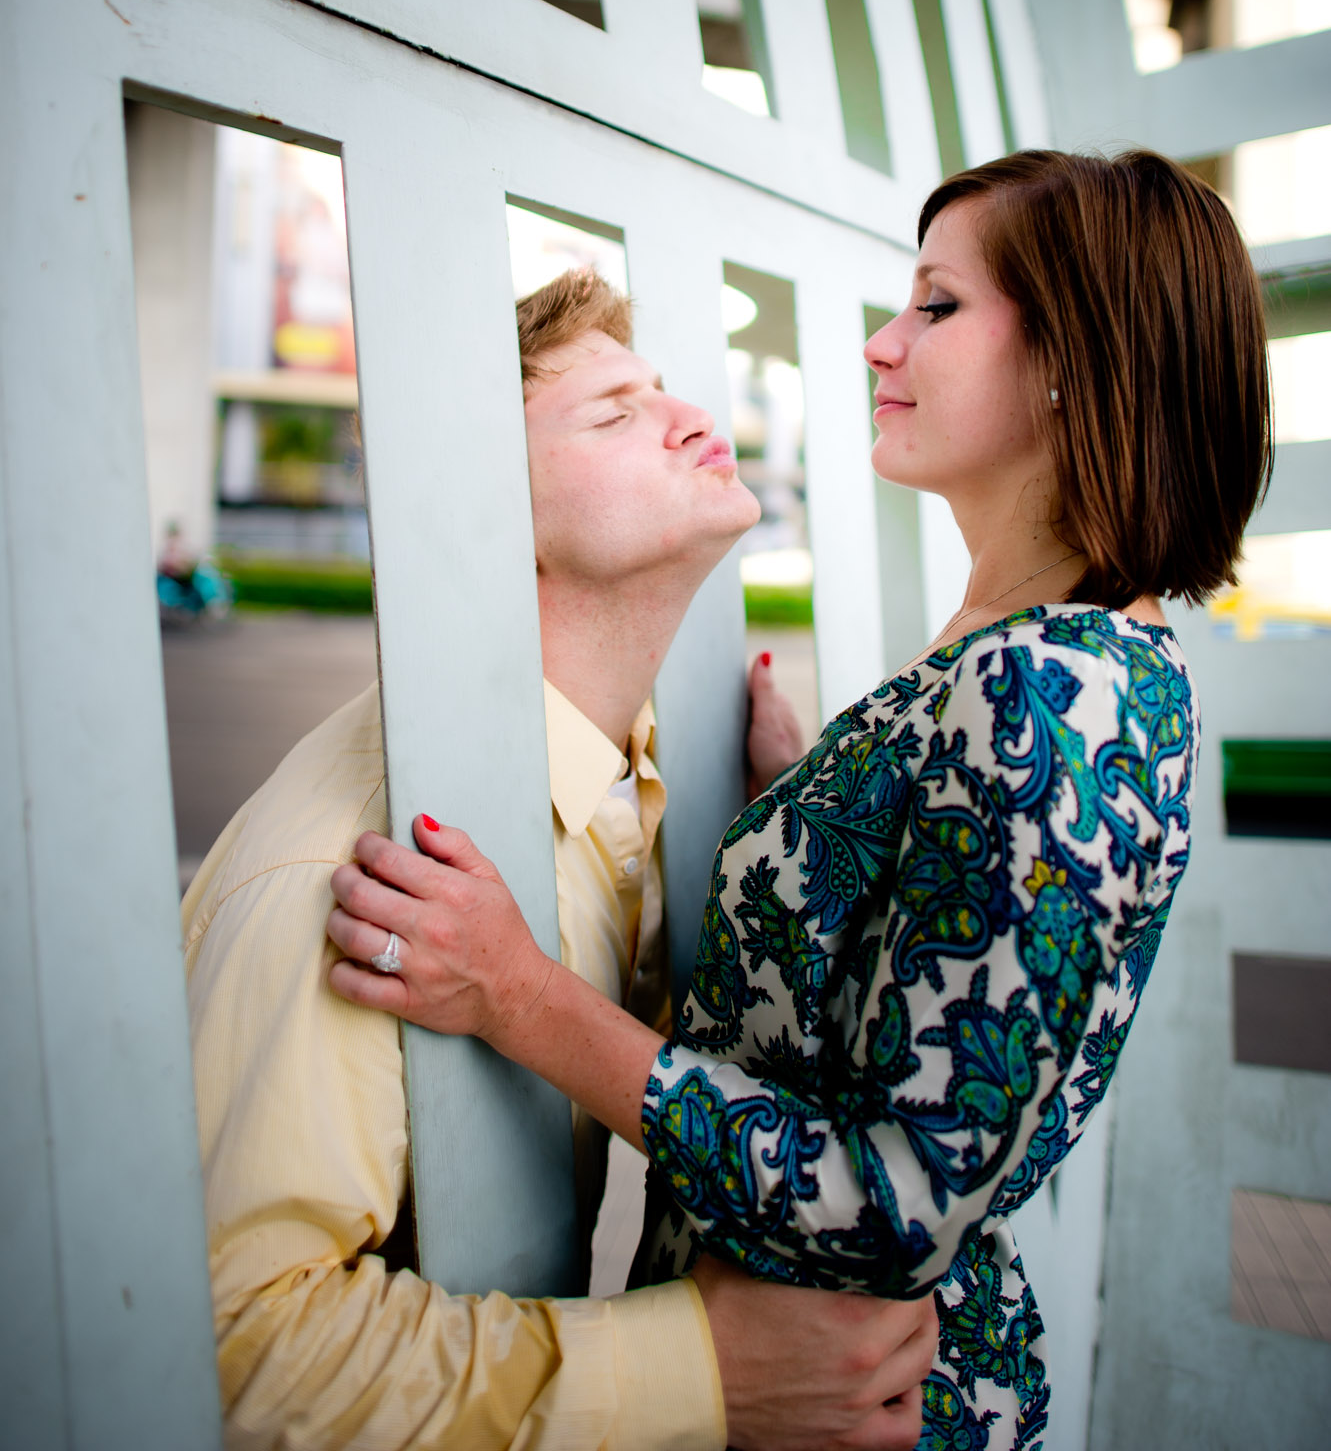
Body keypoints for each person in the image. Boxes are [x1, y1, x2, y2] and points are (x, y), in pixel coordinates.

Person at [329, 149, 1273, 1450]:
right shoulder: (1050, 653)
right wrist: (812, 805)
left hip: (852, 1400)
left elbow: (896, 1199)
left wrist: (515, 992)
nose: (884, 343)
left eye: (936, 305)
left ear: (1074, 354)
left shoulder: (1053, 692)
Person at [182, 267, 937, 1451]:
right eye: (612, 412)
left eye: (660, 389)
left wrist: (781, 869)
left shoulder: (641, 792)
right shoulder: (359, 872)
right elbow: (229, 1352)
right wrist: (703, 1371)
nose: (689, 417)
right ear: (492, 519)